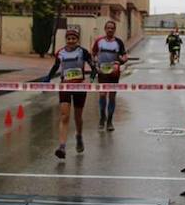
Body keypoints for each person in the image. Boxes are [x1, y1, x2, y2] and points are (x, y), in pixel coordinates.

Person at [44, 29, 96, 159]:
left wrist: (91, 79)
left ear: (77, 39)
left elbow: (93, 67)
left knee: (77, 117)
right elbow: (56, 67)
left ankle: (79, 136)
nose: (71, 41)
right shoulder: (60, 53)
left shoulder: (83, 52)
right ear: (66, 39)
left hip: (79, 87)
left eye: (73, 38)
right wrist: (48, 77)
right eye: (69, 38)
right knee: (64, 116)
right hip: (65, 86)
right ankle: (62, 147)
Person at [92, 20, 128, 131]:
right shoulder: (99, 41)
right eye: (108, 28)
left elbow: (125, 56)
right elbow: (93, 54)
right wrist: (95, 65)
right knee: (102, 95)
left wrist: (120, 61)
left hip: (114, 73)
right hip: (102, 72)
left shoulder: (119, 42)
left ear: (114, 29)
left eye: (112, 28)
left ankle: (110, 121)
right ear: (105, 29)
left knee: (112, 96)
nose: (110, 30)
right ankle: (102, 118)